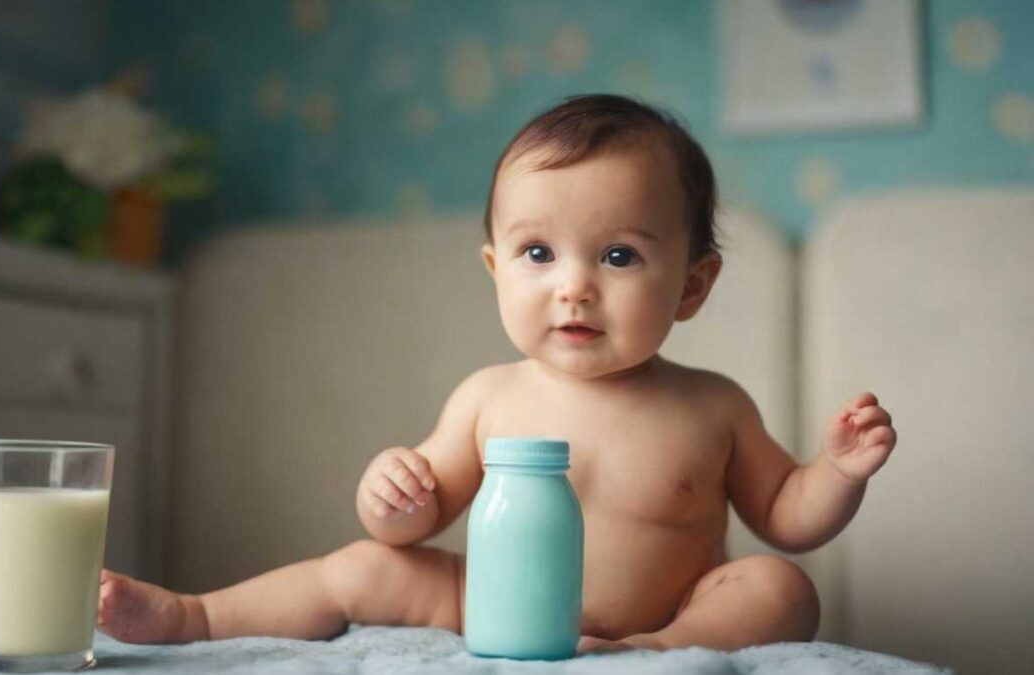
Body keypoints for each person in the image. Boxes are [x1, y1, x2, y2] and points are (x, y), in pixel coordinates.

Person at [97, 94, 896, 653]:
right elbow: (419, 516)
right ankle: (198, 617)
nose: (572, 285)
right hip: (486, 607)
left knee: (779, 587)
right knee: (363, 565)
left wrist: (838, 469)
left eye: (619, 255)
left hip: (667, 609)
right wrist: (392, 491)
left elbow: (789, 516)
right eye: (538, 253)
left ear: (691, 284)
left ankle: (662, 651)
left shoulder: (712, 405)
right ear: (495, 268)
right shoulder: (488, 395)